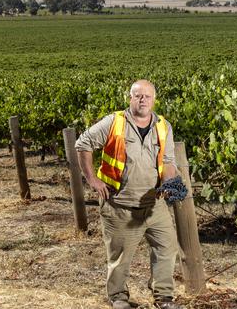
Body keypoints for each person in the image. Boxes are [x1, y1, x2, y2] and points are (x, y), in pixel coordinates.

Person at [75, 80, 184, 309]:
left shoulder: (164, 126)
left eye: (147, 96)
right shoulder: (114, 122)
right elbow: (82, 144)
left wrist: (171, 183)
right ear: (130, 98)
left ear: (154, 100)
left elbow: (168, 161)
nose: (143, 100)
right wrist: (92, 180)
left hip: (155, 205)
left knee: (167, 249)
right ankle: (118, 297)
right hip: (120, 206)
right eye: (138, 96)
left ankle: (163, 297)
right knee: (120, 258)